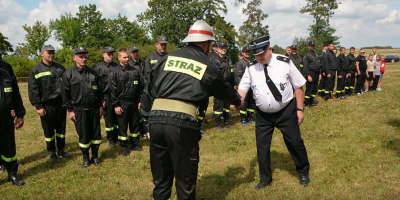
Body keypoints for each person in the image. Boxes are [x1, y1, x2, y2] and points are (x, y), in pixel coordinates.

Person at [140, 20, 242, 200]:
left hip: (155, 122)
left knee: (161, 181)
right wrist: (237, 100)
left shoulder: (166, 58)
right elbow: (222, 88)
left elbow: (148, 90)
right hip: (182, 125)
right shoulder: (206, 64)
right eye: (210, 44)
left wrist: (147, 123)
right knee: (185, 180)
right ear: (205, 42)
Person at [237, 35, 310, 189]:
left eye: (262, 53)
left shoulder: (284, 62)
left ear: (269, 49)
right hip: (263, 115)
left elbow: (298, 86)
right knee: (262, 146)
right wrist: (239, 100)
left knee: (295, 142)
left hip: (286, 111)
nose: (259, 57)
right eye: (255, 54)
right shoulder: (251, 68)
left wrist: (300, 109)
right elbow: (243, 88)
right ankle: (265, 179)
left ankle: (303, 171)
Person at [61, 47, 104, 168]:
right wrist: (70, 110)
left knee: (96, 135)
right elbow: (65, 93)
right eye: (81, 57)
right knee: (84, 134)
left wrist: (101, 105)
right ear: (74, 57)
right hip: (79, 110)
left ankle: (95, 157)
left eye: (85, 56)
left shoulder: (93, 72)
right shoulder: (68, 74)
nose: (84, 59)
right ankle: (85, 158)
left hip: (94, 108)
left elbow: (100, 91)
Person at [28, 45, 69, 161]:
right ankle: (52, 151)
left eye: (52, 53)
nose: (51, 55)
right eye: (48, 53)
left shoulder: (60, 68)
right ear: (42, 53)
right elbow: (33, 89)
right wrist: (38, 106)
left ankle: (61, 149)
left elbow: (66, 87)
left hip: (60, 104)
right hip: (46, 105)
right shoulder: (36, 70)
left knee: (61, 129)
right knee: (49, 130)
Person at [109, 48, 143, 155]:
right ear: (119, 57)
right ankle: (124, 146)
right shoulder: (114, 73)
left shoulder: (134, 71)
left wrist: (140, 101)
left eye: (128, 57)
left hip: (134, 102)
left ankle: (134, 143)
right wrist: (116, 105)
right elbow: (112, 91)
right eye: (124, 57)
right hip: (122, 103)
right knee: (122, 126)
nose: (127, 59)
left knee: (135, 124)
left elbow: (140, 88)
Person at [0, 60, 26, 186]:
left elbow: (15, 92)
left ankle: (12, 174)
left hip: (6, 117)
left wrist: (20, 114)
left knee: (9, 147)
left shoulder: (6, 67)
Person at [143, 36, 168, 138]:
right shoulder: (151, 58)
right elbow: (146, 76)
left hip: (167, 90)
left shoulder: (170, 57)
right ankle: (151, 131)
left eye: (165, 44)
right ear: (156, 44)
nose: (163, 46)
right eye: (161, 44)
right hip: (154, 91)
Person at [95, 46, 119, 148]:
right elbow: (97, 86)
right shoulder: (98, 68)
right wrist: (101, 100)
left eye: (112, 54)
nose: (111, 56)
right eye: (109, 54)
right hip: (106, 97)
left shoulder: (117, 66)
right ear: (103, 54)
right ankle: (110, 139)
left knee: (118, 118)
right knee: (109, 119)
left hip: (116, 96)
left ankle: (117, 136)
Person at [210, 42, 236, 131]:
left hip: (228, 86)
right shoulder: (214, 60)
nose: (223, 49)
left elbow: (231, 73)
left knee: (227, 106)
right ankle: (218, 124)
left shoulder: (228, 60)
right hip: (219, 87)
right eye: (221, 48)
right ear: (217, 49)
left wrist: (233, 84)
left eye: (225, 47)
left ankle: (227, 122)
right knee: (218, 106)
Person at [128, 45, 146, 137]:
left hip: (144, 90)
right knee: (136, 113)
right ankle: (138, 131)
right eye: (133, 52)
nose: (135, 53)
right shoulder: (130, 65)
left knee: (144, 111)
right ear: (130, 53)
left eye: (136, 51)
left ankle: (144, 130)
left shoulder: (143, 63)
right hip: (135, 90)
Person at [234, 46, 255, 125]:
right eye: (246, 52)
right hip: (244, 87)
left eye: (248, 51)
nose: (248, 53)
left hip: (252, 87)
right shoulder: (240, 64)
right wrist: (241, 88)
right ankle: (243, 119)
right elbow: (238, 76)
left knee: (251, 103)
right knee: (244, 103)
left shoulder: (253, 62)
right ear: (242, 53)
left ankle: (250, 117)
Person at [303, 41, 320, 108]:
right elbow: (305, 66)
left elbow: (319, 64)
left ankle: (312, 101)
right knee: (309, 88)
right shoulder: (306, 55)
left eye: (313, 46)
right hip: (311, 73)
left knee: (315, 88)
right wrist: (308, 75)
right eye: (311, 46)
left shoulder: (316, 54)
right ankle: (307, 103)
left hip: (316, 73)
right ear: (308, 46)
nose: (313, 47)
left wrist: (320, 73)